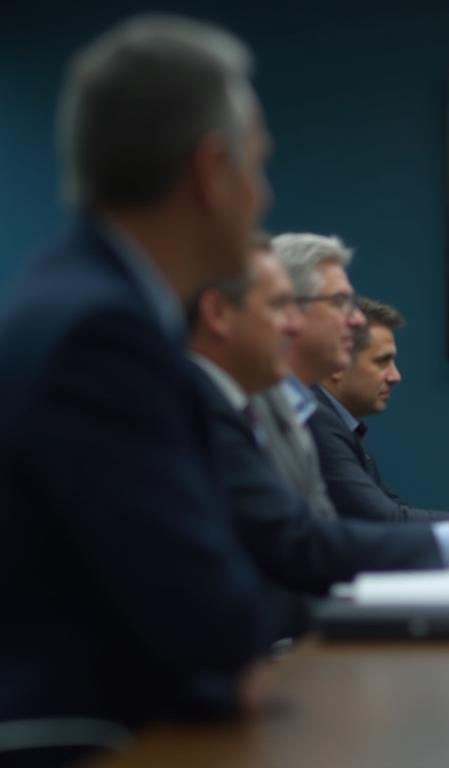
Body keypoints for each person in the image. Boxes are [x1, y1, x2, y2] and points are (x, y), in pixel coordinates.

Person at [0, 15, 276, 756]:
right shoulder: (103, 336)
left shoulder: (75, 298)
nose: (265, 195)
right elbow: (217, 621)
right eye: (258, 166)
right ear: (210, 173)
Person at [186, 243, 449, 604]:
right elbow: (307, 544)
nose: (292, 324)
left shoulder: (286, 408)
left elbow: (319, 539)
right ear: (219, 313)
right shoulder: (210, 409)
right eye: (279, 306)